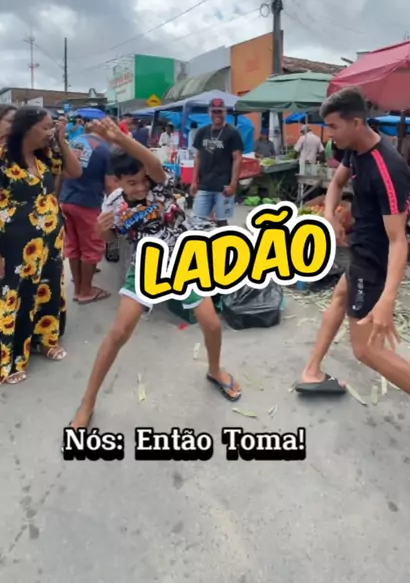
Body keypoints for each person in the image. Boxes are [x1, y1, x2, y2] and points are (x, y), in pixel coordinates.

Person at [296, 88, 410, 475]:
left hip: (375, 263)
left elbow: (399, 242)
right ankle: (312, 370)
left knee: (367, 351)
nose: (330, 135)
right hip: (360, 249)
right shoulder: (353, 148)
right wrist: (329, 216)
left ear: (356, 122)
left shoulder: (388, 167)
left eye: (333, 127)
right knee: (338, 301)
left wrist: (387, 300)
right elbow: (335, 184)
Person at [68, 117, 241, 430]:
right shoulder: (113, 204)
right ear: (118, 182)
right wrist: (101, 231)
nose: (139, 187)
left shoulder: (160, 184)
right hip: (147, 265)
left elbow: (152, 163)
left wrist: (120, 139)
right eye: (131, 182)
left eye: (142, 180)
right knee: (119, 333)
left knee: (212, 323)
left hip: (184, 259)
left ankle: (214, 369)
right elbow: (112, 242)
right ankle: (87, 402)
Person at [0, 107, 82, 384]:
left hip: (49, 241)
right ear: (26, 128)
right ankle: (13, 358)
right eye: (46, 127)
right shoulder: (2, 159)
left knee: (48, 288)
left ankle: (44, 340)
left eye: (51, 127)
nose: (50, 131)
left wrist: (61, 139)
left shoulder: (45, 156)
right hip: (14, 246)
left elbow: (75, 171)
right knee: (17, 296)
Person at [60, 127, 116, 303]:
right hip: (87, 203)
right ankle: (85, 291)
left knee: (73, 245)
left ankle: (78, 287)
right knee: (92, 247)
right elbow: (110, 185)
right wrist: (115, 206)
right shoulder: (104, 150)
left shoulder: (76, 140)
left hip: (66, 200)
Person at [191, 98, 243, 226]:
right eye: (214, 111)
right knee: (198, 221)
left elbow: (237, 158)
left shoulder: (232, 133)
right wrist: (194, 181)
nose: (217, 115)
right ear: (209, 112)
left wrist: (233, 184)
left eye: (220, 111)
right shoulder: (202, 132)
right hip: (204, 185)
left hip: (223, 186)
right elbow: (198, 157)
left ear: (225, 112)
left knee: (222, 222)